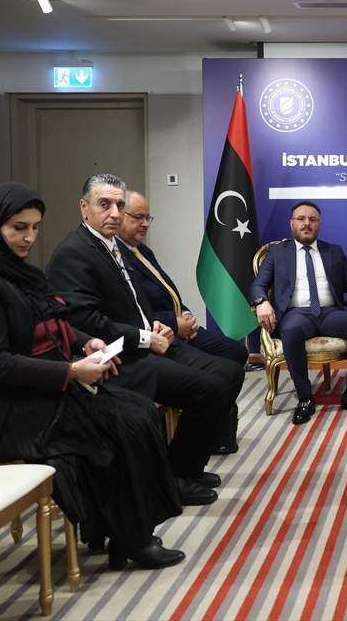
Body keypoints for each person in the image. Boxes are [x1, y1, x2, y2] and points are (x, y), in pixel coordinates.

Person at [0, 182, 186, 570]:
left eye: (34, 227)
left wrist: (85, 342)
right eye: (18, 228)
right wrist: (71, 370)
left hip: (28, 392)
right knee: (121, 421)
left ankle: (125, 533)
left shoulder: (17, 272)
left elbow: (51, 321)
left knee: (135, 410)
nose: (29, 238)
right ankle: (131, 537)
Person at [47, 174, 245, 505]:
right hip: (119, 359)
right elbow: (85, 323)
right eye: (105, 205)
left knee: (230, 372)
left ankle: (186, 465)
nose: (114, 213)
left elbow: (138, 305)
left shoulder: (116, 247)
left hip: (148, 344)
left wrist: (157, 327)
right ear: (84, 208)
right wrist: (145, 338)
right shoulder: (74, 253)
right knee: (209, 390)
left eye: (119, 205)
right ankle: (175, 477)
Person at [250, 200, 347, 424]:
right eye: (301, 218)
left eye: (312, 219)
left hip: (329, 313)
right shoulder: (277, 252)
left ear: (319, 224)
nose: (306, 223)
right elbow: (258, 286)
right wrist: (262, 302)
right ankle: (305, 397)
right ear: (292, 224)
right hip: (296, 314)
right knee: (292, 330)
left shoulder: (333, 251)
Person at [117, 191, 250, 366]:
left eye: (148, 218)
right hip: (160, 332)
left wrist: (185, 315)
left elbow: (165, 290)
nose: (145, 224)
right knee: (219, 368)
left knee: (237, 351)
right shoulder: (117, 256)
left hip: (179, 323)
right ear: (119, 215)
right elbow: (135, 309)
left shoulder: (142, 250)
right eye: (138, 217)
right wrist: (175, 324)